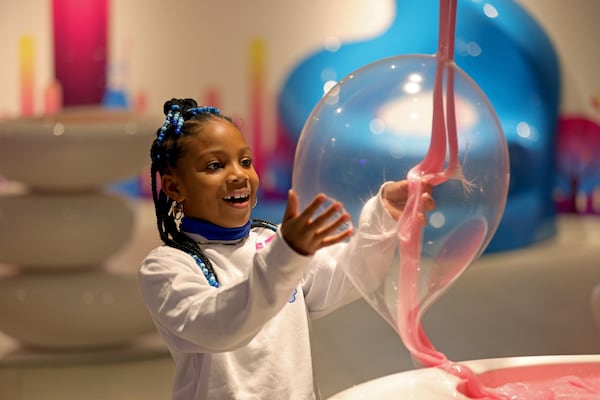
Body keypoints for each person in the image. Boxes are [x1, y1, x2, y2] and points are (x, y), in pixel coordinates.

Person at [138, 98, 435, 400]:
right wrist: (287, 255)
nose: (239, 175)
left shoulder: (273, 240)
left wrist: (382, 217)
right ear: (175, 188)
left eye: (245, 161)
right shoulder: (167, 267)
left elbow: (347, 277)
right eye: (215, 165)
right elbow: (221, 326)